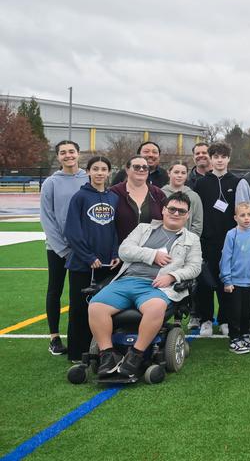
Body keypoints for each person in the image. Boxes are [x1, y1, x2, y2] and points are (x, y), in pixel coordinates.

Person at [88, 192, 201, 380]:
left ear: (187, 215)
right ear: (164, 210)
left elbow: (195, 267)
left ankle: (136, 355)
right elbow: (124, 251)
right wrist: (152, 255)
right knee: (96, 306)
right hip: (127, 281)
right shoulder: (143, 229)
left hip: (157, 286)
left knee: (156, 308)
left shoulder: (191, 239)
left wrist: (173, 276)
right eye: (172, 209)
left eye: (181, 211)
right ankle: (108, 354)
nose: (176, 213)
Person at [63, 155, 120, 362]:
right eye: (95, 169)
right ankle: (77, 353)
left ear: (108, 172)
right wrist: (88, 256)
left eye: (103, 169)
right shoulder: (80, 197)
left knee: (104, 308)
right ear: (88, 172)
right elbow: (72, 231)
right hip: (83, 265)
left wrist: (115, 254)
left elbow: (115, 230)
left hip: (107, 265)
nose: (99, 173)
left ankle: (101, 349)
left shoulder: (113, 197)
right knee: (79, 308)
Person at [40, 139, 88, 356]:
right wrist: (63, 248)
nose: (68, 155)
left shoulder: (88, 178)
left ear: (78, 154)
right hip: (58, 248)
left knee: (81, 293)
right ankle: (54, 337)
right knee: (55, 290)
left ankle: (83, 335)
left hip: (84, 248)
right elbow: (47, 217)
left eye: (71, 151)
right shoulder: (51, 182)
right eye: (63, 153)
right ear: (58, 157)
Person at [193, 141, 239, 338]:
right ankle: (205, 320)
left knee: (226, 281)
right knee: (205, 282)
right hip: (206, 242)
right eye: (216, 157)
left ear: (228, 158)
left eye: (223, 156)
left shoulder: (237, 182)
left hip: (229, 241)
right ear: (210, 159)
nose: (219, 160)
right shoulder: (201, 183)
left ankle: (225, 319)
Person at [220, 202, 250, 354]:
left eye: (249, 215)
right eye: (242, 215)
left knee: (246, 312)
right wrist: (227, 280)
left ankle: (245, 336)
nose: (246, 218)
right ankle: (234, 339)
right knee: (235, 312)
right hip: (235, 283)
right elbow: (225, 258)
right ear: (235, 217)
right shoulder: (231, 234)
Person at [110, 155, 167, 245]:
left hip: (150, 253)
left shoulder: (158, 194)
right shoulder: (114, 193)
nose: (141, 170)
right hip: (120, 252)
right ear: (127, 170)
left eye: (145, 167)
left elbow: (166, 222)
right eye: (136, 167)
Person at [161, 161, 203, 237]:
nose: (179, 175)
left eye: (183, 173)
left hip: (185, 241)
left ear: (187, 175)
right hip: (162, 239)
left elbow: (197, 223)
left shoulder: (194, 196)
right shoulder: (160, 194)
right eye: (176, 172)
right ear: (169, 173)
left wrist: (189, 240)